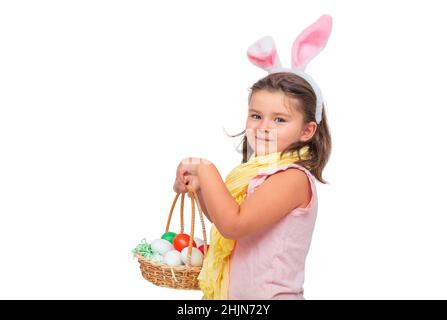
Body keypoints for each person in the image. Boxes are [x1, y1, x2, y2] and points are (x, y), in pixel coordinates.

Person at [173, 15, 333, 299]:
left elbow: (234, 225)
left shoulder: (292, 178)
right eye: (256, 115)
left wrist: (206, 169)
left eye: (280, 119)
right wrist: (200, 190)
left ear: (307, 130)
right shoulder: (259, 174)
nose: (263, 127)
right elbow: (230, 223)